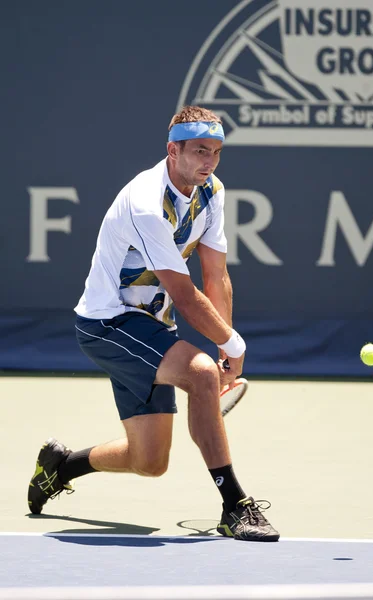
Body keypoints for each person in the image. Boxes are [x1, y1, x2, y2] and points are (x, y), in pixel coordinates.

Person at [27, 106, 280, 542]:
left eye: (216, 152)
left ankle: (62, 465)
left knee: (149, 461)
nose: (209, 161)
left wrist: (224, 346)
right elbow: (185, 295)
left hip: (150, 327)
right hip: (107, 323)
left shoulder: (211, 191)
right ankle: (235, 506)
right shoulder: (146, 203)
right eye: (200, 150)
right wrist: (233, 347)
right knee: (200, 375)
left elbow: (216, 275)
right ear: (173, 149)